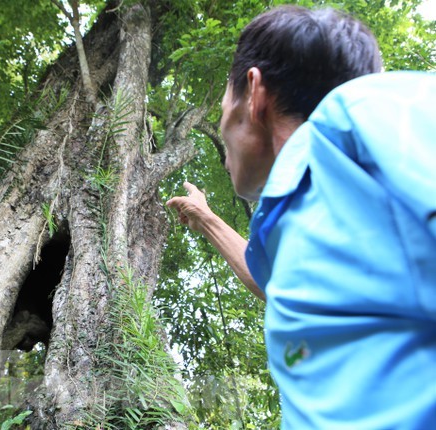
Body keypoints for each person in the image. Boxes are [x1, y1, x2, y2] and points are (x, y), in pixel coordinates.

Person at [167, 5, 436, 429]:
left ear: (254, 93)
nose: (220, 121)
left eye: (223, 98)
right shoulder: (307, 207)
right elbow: (271, 280)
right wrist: (206, 219)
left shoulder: (371, 120)